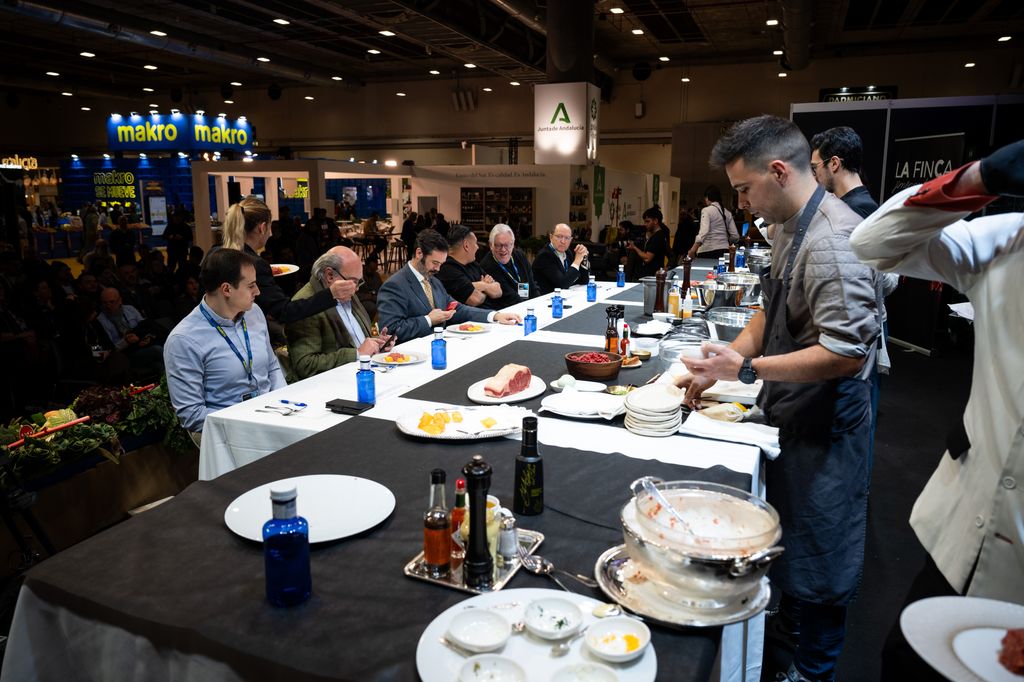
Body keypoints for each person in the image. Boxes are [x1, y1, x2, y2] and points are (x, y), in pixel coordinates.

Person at [675, 115, 880, 682]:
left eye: (744, 189)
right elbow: (773, 309)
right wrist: (726, 360)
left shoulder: (834, 242)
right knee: (791, 536)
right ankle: (790, 636)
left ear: (780, 171)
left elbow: (845, 352)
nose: (740, 202)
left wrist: (746, 368)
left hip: (829, 424)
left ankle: (813, 671)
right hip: (795, 411)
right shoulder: (788, 223)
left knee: (824, 556)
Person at [848, 140, 1024, 678]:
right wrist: (979, 178)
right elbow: (874, 242)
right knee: (905, 663)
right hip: (965, 527)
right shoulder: (1009, 240)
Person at [164, 248, 285, 440]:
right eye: (251, 285)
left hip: (273, 417)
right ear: (226, 289)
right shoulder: (184, 340)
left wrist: (284, 404)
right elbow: (192, 415)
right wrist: (250, 423)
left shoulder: (255, 313)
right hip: (227, 433)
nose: (258, 291)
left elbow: (272, 367)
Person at [220, 195, 352, 339]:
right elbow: (284, 311)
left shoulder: (216, 254)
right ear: (262, 228)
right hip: (242, 335)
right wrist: (330, 294)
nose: (270, 233)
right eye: (270, 227)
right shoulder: (254, 264)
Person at [377, 229, 521, 342]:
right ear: (419, 253)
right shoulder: (394, 286)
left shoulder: (434, 281)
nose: (438, 269)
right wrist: (428, 320)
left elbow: (457, 308)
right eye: (435, 263)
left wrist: (495, 316)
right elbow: (390, 330)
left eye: (441, 264)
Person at [285, 247, 395, 381]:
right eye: (354, 281)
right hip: (329, 387)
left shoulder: (345, 289)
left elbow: (355, 338)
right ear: (330, 275)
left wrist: (377, 344)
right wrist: (357, 354)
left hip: (365, 373)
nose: (357, 288)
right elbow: (305, 365)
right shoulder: (303, 305)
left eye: (359, 281)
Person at [810, 127, 878, 219]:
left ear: (834, 163)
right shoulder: (856, 204)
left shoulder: (857, 208)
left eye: (815, 168)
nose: (814, 177)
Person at [436, 225, 503, 307]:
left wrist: (479, 285)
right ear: (466, 246)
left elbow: (498, 290)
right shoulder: (447, 269)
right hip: (473, 318)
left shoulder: (473, 263)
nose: (477, 247)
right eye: (475, 243)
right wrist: (485, 285)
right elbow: (475, 299)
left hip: (491, 313)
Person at [480, 223, 539, 309]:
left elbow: (532, 285)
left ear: (513, 244)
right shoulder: (487, 266)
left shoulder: (519, 255)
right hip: (506, 312)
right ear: (490, 245)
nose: (503, 249)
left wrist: (538, 303)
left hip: (527, 307)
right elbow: (509, 297)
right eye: (499, 245)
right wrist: (531, 309)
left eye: (507, 245)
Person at [532, 223, 590, 295]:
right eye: (559, 237)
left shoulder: (567, 252)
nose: (563, 241)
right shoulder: (545, 256)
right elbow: (563, 284)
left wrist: (583, 257)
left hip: (564, 297)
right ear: (551, 237)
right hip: (547, 300)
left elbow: (584, 280)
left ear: (571, 239)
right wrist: (577, 261)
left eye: (567, 238)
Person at [687, 186, 739, 260]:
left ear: (707, 197)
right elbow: (735, 236)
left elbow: (703, 233)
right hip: (724, 250)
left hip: (708, 251)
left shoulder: (706, 210)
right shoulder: (727, 213)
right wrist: (724, 241)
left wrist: (692, 250)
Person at [627, 207, 670, 278]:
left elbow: (647, 258)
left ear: (656, 221)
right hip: (649, 273)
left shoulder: (658, 237)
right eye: (645, 222)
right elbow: (671, 254)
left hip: (651, 275)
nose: (645, 224)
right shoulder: (657, 235)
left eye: (647, 221)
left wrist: (634, 247)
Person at [357, 255, 383, 321]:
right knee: (371, 307)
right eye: (370, 268)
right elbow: (354, 294)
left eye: (374, 270)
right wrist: (369, 296)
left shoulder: (376, 275)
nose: (371, 271)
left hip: (375, 298)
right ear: (365, 265)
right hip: (361, 300)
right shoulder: (358, 275)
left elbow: (381, 290)